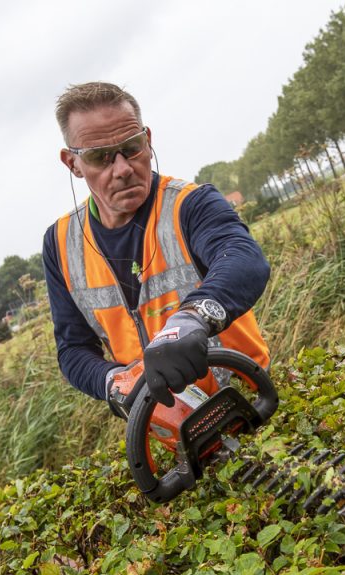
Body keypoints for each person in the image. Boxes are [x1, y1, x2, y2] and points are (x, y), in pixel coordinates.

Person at [42, 82, 270, 414]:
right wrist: (116, 382)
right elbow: (73, 349)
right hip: (165, 426)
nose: (121, 169)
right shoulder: (60, 244)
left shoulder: (191, 204)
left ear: (147, 140)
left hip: (249, 401)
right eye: (100, 157)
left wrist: (193, 319)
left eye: (131, 147)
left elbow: (243, 259)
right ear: (73, 163)